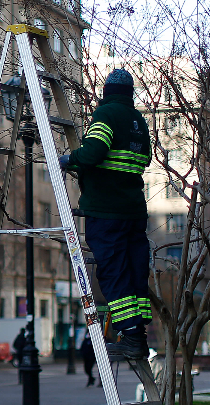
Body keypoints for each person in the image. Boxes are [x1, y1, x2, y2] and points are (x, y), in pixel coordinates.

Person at [59, 68, 152, 360]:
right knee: (134, 267)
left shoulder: (106, 115)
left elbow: (93, 153)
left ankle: (131, 335)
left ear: (107, 91)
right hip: (134, 210)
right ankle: (138, 333)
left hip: (106, 210)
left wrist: (69, 159)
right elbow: (145, 158)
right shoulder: (139, 120)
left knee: (113, 270)